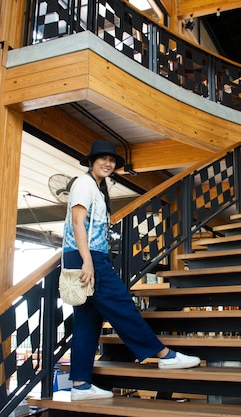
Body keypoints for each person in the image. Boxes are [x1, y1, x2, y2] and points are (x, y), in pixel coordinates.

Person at [62, 140, 201, 401]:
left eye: (112, 160)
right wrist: (87, 261)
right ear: (91, 161)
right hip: (88, 257)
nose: (108, 163)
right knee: (122, 304)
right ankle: (163, 355)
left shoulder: (97, 186)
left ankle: (80, 385)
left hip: (85, 255)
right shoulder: (83, 183)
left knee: (87, 321)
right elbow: (77, 222)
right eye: (102, 158)